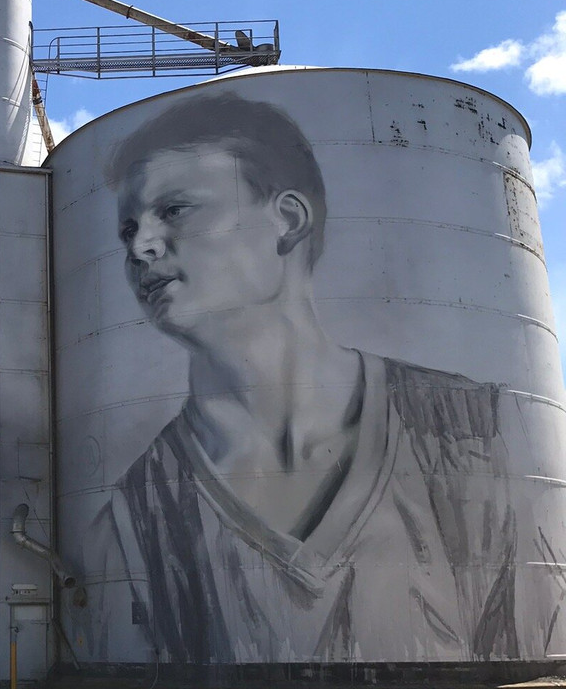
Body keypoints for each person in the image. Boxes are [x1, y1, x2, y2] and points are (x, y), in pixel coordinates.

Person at [73, 92, 520, 664]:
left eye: (176, 210)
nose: (141, 246)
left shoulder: (471, 430)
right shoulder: (132, 521)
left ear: (288, 219)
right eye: (128, 229)